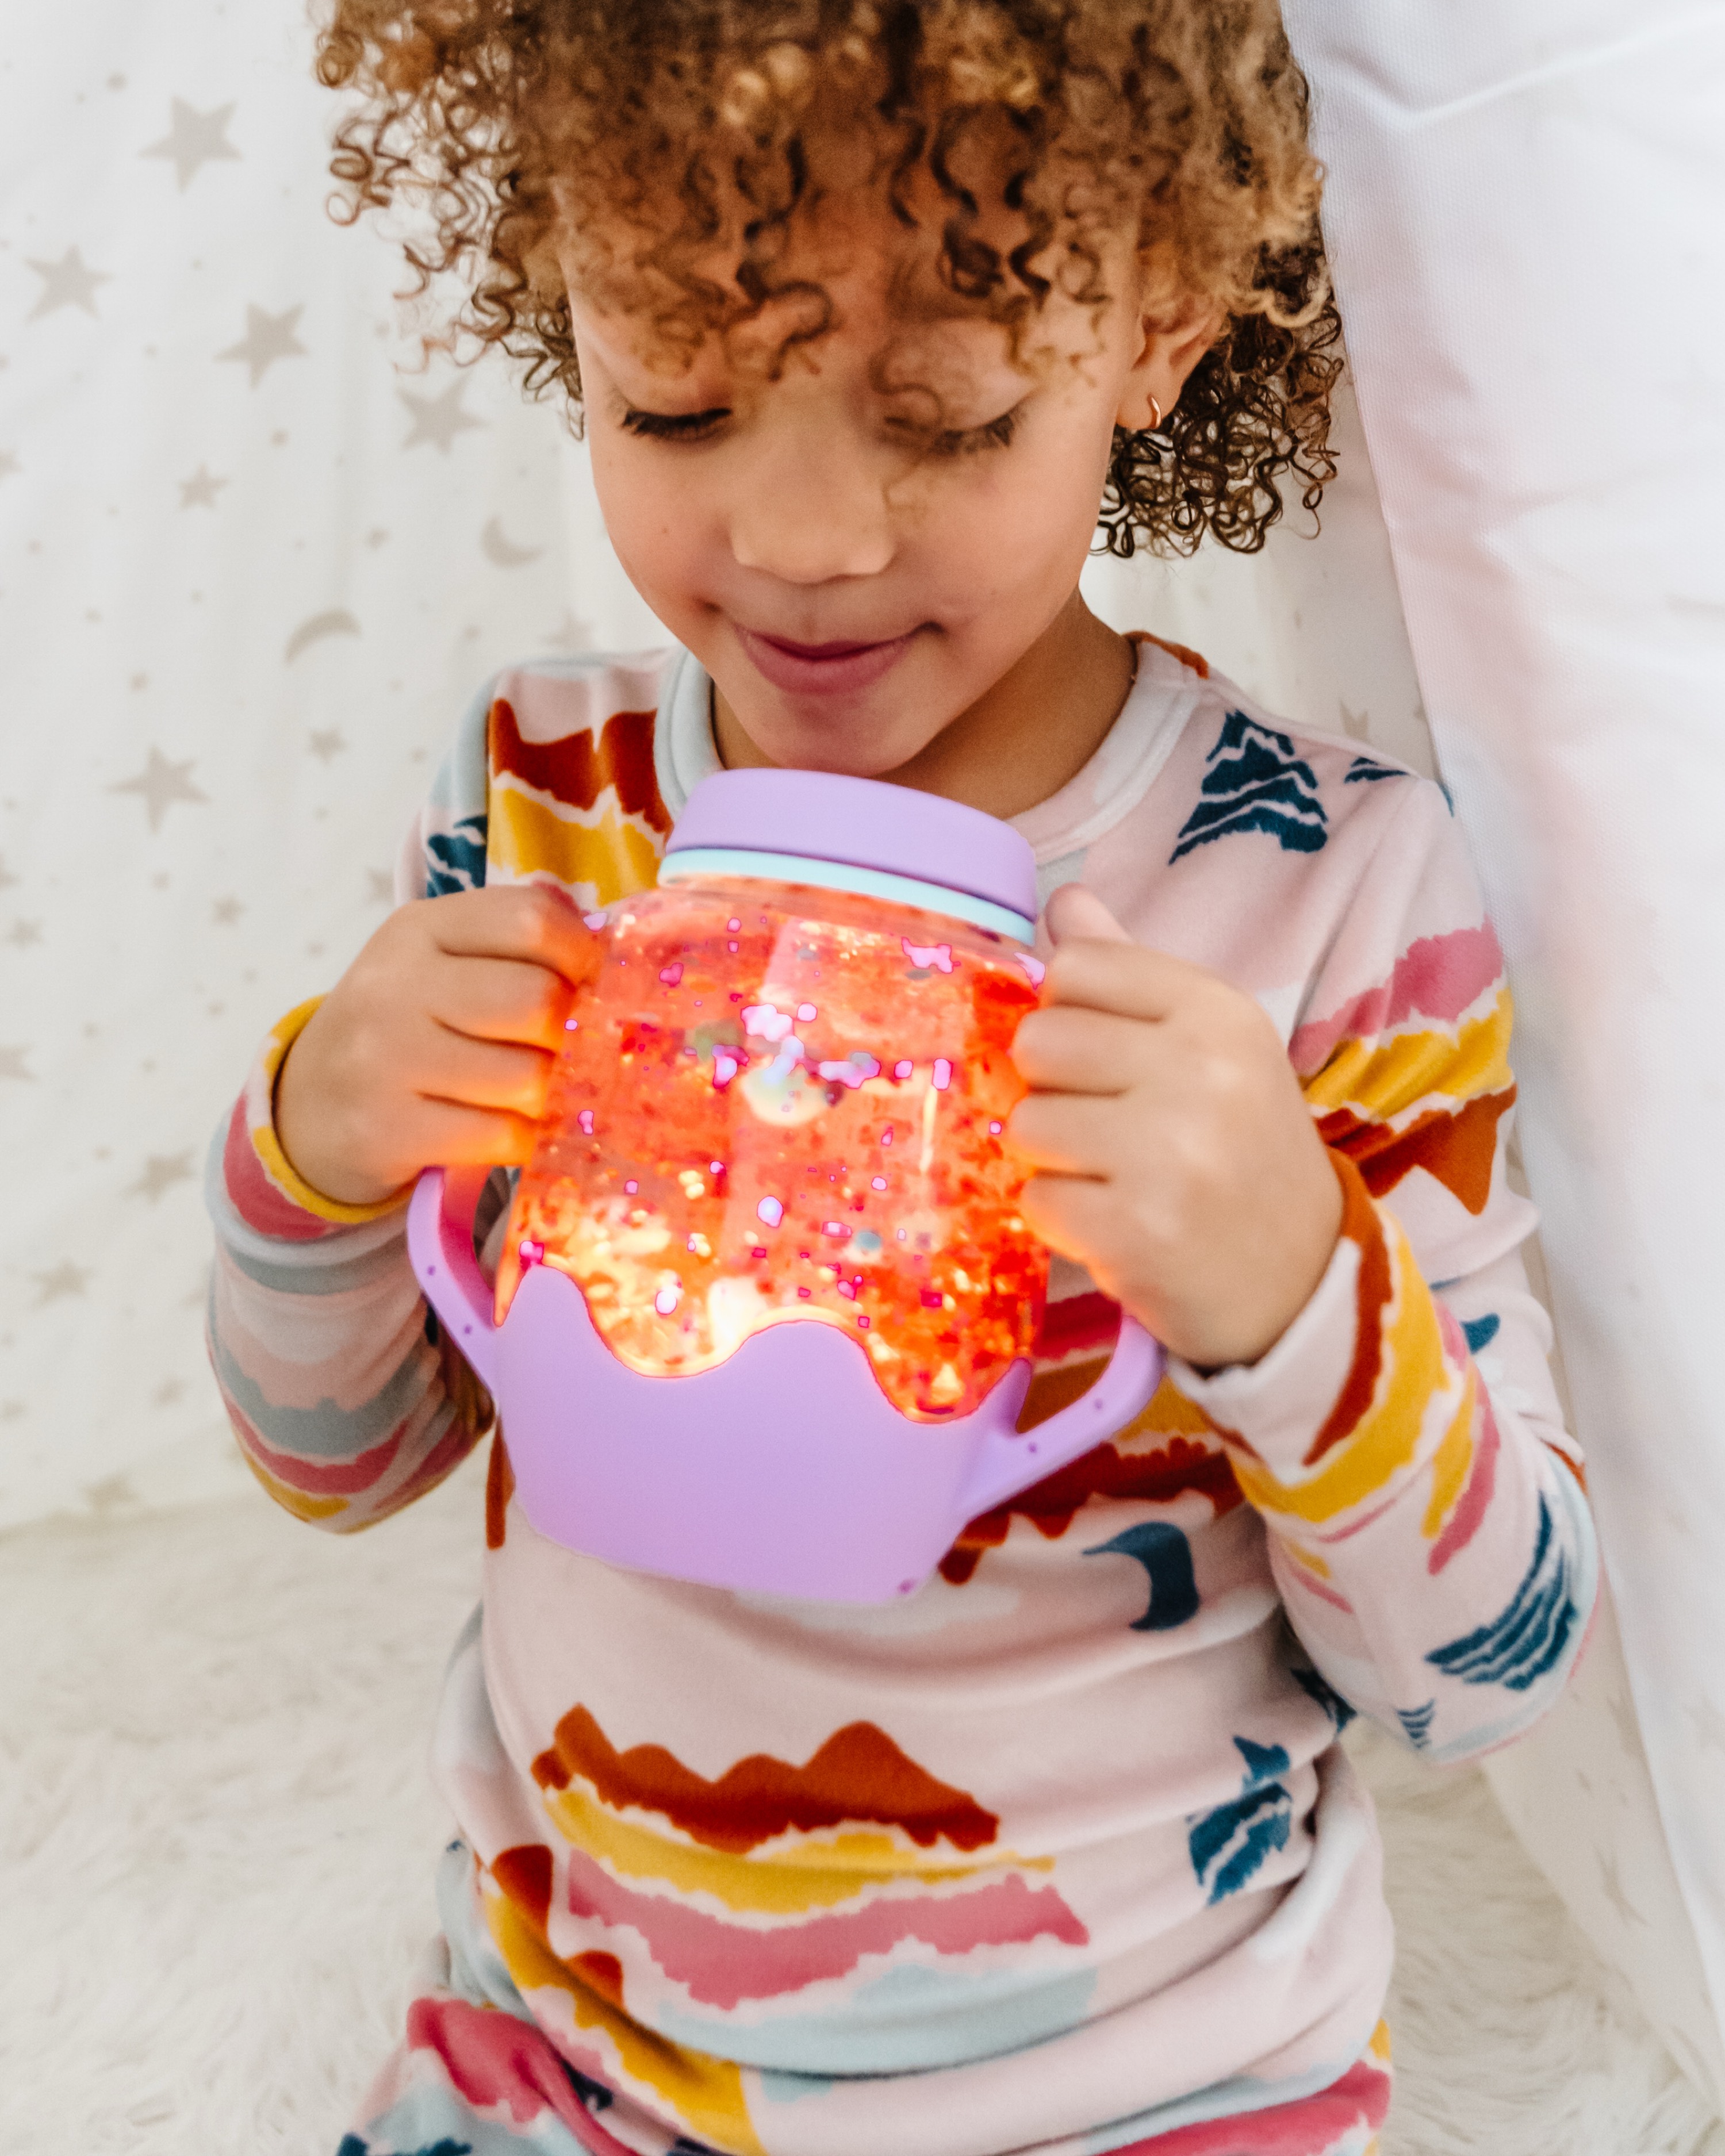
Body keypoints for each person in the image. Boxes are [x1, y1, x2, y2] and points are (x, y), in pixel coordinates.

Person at [206, 5, 1598, 2152]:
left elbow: (1483, 1671)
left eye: (942, 419)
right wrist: (315, 1139)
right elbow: (340, 1460)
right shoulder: (542, 797)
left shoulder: (1329, 897)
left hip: (1160, 2087)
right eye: (677, 396)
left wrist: (1296, 1288)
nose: (807, 538)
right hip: (577, 2055)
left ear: (1158, 321)